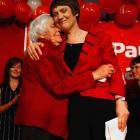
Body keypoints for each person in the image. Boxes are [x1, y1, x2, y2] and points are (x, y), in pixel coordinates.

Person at [27, 0, 130, 140]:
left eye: (63, 11)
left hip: (102, 103)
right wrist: (31, 46)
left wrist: (121, 101)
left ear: (75, 12)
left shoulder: (99, 36)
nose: (59, 16)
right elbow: (41, 50)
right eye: (55, 14)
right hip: (72, 107)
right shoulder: (56, 42)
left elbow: (115, 69)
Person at [16, 14, 103, 140]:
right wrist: (94, 75)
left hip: (48, 122)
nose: (59, 29)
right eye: (53, 26)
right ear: (41, 34)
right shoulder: (40, 51)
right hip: (42, 122)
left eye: (58, 26)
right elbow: (59, 86)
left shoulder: (54, 50)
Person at [0, 57, 23, 140]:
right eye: (13, 67)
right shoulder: (1, 88)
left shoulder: (25, 89)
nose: (16, 70)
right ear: (8, 69)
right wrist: (12, 102)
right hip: (3, 131)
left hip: (21, 132)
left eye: (19, 67)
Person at [125, 56, 140, 140]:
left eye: (136, 67)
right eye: (132, 68)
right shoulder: (127, 88)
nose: (133, 71)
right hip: (133, 132)